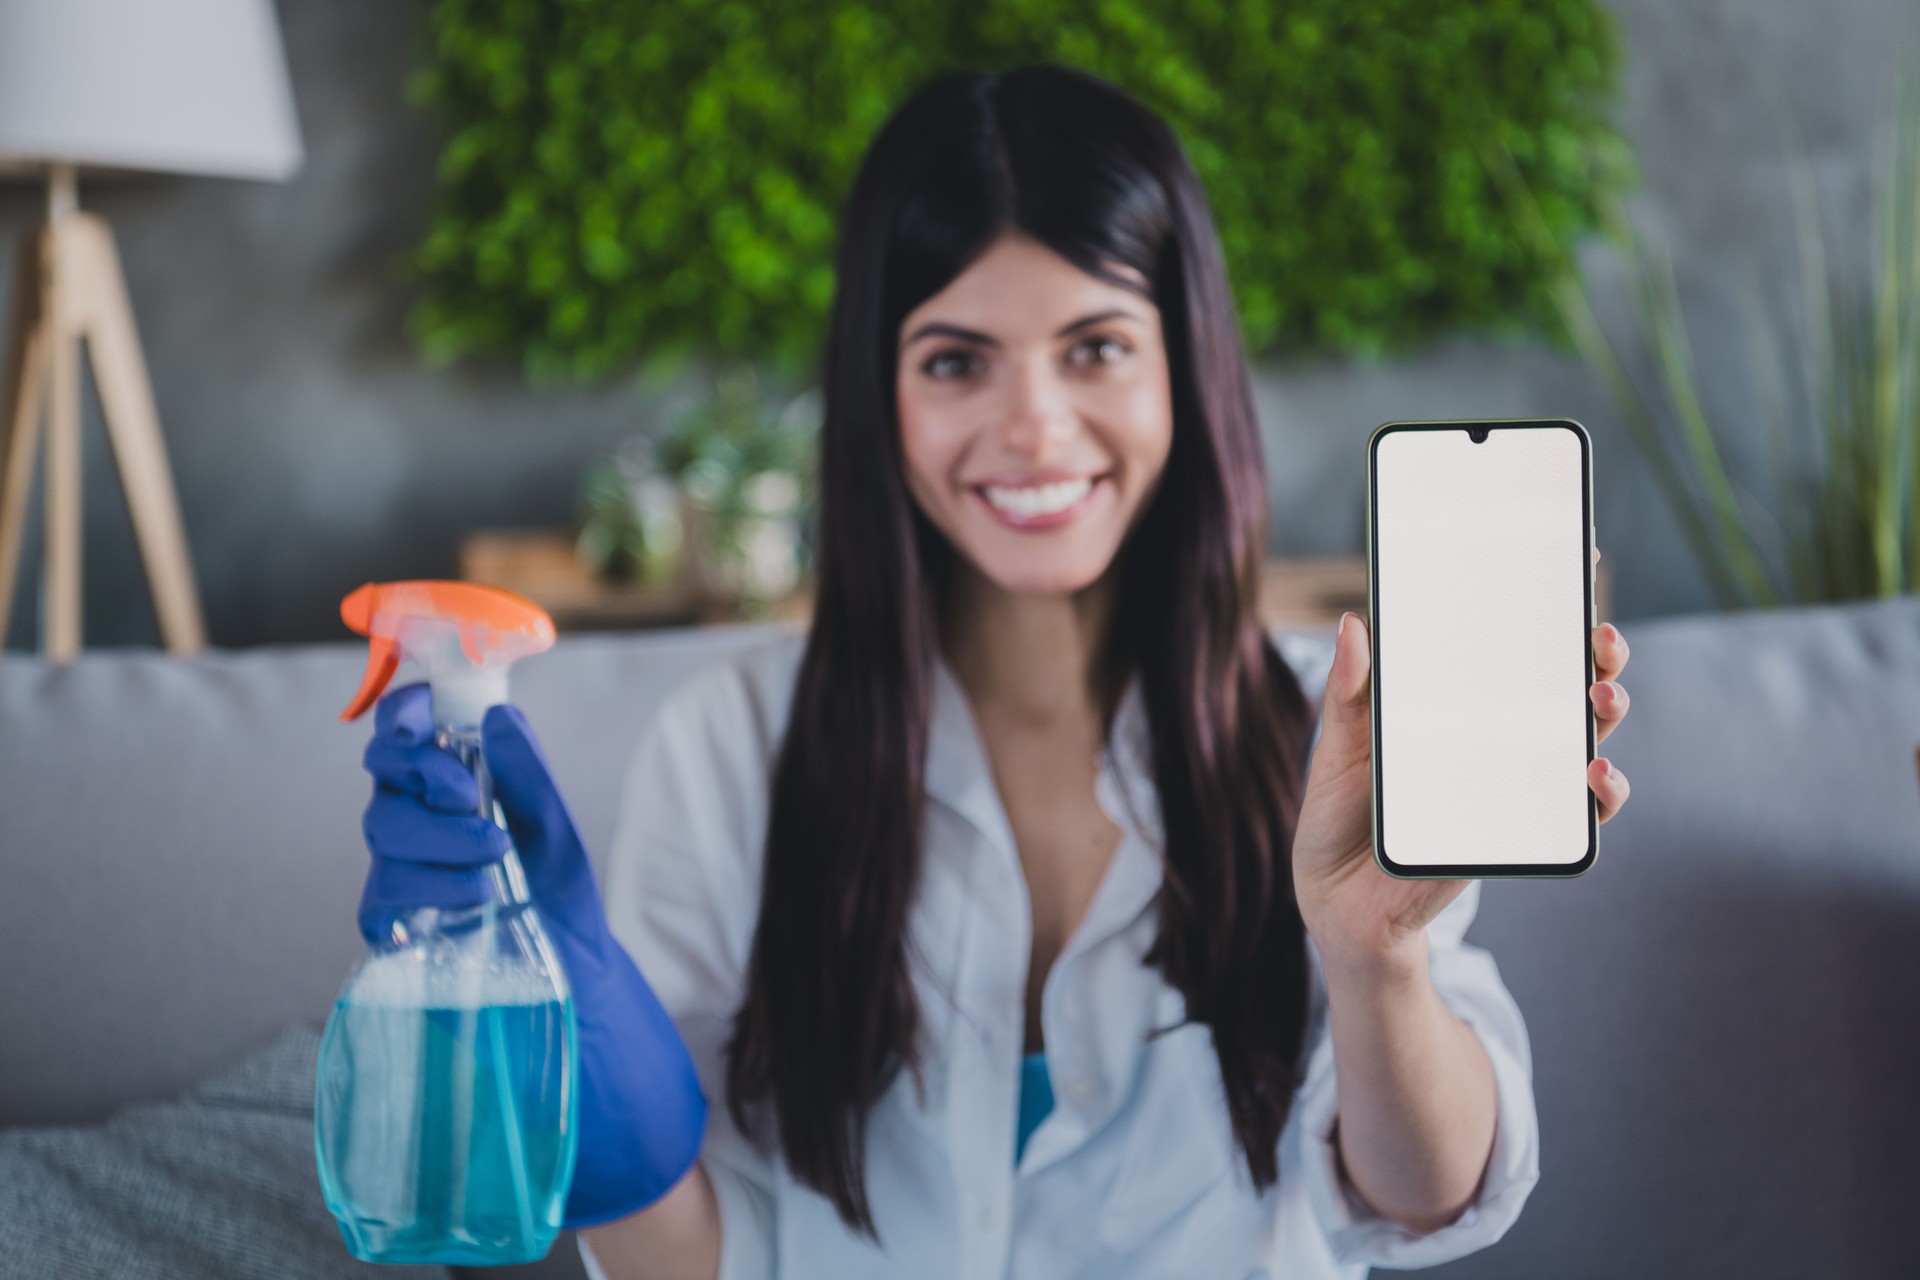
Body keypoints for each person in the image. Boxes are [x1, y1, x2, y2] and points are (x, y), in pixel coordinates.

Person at [358, 63, 1635, 1280]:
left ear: (1184, 366)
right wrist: (611, 1147)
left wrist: (1376, 962)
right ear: (882, 392)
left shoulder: (1334, 730)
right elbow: (707, 1263)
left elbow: (1428, 1196)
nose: (1032, 426)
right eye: (957, 359)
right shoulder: (729, 742)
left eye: (1096, 347)